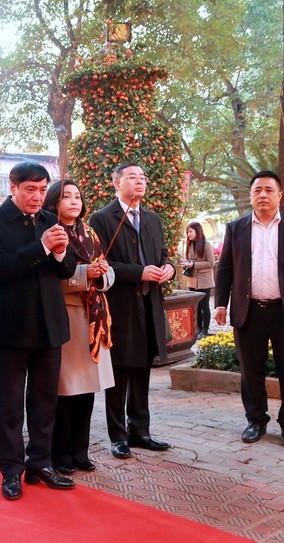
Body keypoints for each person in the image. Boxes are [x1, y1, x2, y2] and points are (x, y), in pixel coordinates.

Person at [0, 161, 77, 502]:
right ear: (13, 187)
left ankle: (40, 463)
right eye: (30, 189)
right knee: (10, 405)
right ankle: (10, 471)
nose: (37, 197)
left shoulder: (51, 221)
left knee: (45, 401)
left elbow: (67, 270)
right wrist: (43, 247)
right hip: (11, 326)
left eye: (42, 189)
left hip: (50, 325)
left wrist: (62, 252)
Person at [89, 162, 175, 460]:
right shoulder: (101, 218)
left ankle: (141, 430)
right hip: (120, 306)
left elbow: (164, 256)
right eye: (132, 177)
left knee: (142, 369)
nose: (139, 182)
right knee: (120, 371)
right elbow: (101, 264)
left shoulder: (152, 219)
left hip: (149, 304)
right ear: (116, 183)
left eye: (143, 177)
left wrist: (169, 269)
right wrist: (139, 272)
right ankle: (118, 435)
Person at [215, 171, 284, 451]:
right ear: (251, 195)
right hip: (248, 311)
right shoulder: (236, 228)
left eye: (268, 190)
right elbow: (225, 268)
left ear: (279, 195)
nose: (263, 195)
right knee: (251, 371)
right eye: (257, 190)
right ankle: (256, 420)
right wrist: (220, 303)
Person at [42, 180, 115, 473]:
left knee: (87, 389)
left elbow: (107, 270)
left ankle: (80, 451)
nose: (74, 201)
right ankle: (61, 453)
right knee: (66, 389)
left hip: (94, 318)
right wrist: (86, 273)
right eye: (66, 197)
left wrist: (102, 275)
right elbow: (52, 278)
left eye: (77, 196)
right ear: (54, 203)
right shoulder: (51, 233)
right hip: (67, 315)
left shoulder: (90, 233)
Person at [181, 221, 215, 339]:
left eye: (190, 231)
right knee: (196, 306)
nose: (188, 234)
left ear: (197, 231)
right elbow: (189, 260)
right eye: (187, 232)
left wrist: (194, 264)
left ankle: (205, 330)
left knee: (204, 306)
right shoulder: (189, 245)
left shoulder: (206, 245)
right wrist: (186, 264)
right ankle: (198, 329)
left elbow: (211, 263)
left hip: (204, 280)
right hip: (192, 280)